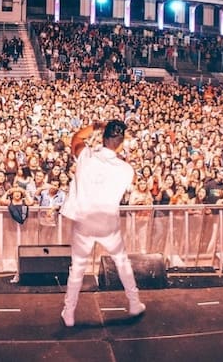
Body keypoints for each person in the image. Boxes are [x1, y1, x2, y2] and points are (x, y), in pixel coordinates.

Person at [59, 119, 145, 327]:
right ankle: (134, 303)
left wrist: (95, 127)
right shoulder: (127, 170)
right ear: (121, 143)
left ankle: (69, 313)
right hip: (108, 223)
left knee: (78, 267)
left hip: (85, 221)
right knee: (122, 261)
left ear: (103, 138)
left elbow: (76, 138)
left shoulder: (86, 156)